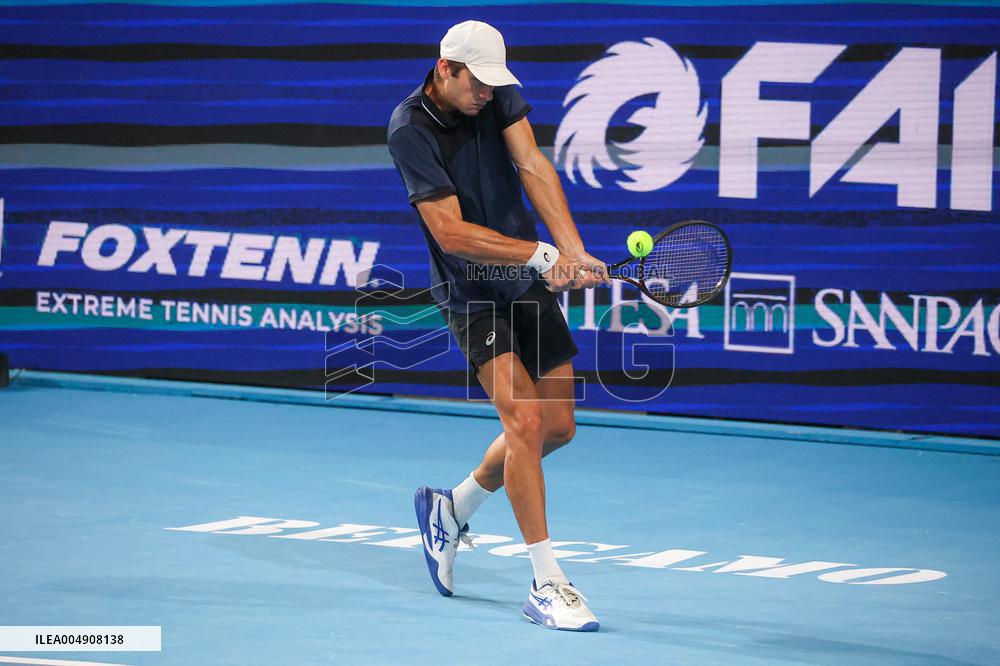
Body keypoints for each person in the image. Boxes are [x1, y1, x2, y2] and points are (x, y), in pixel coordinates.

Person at [387, 20, 607, 632]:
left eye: (493, 84)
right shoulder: (409, 130)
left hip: (524, 280)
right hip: (470, 294)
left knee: (556, 427)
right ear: (444, 68)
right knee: (524, 422)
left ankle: (452, 507)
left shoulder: (497, 94)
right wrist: (542, 255)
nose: (485, 94)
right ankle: (546, 582)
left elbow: (532, 163)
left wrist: (572, 250)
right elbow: (451, 233)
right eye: (475, 83)